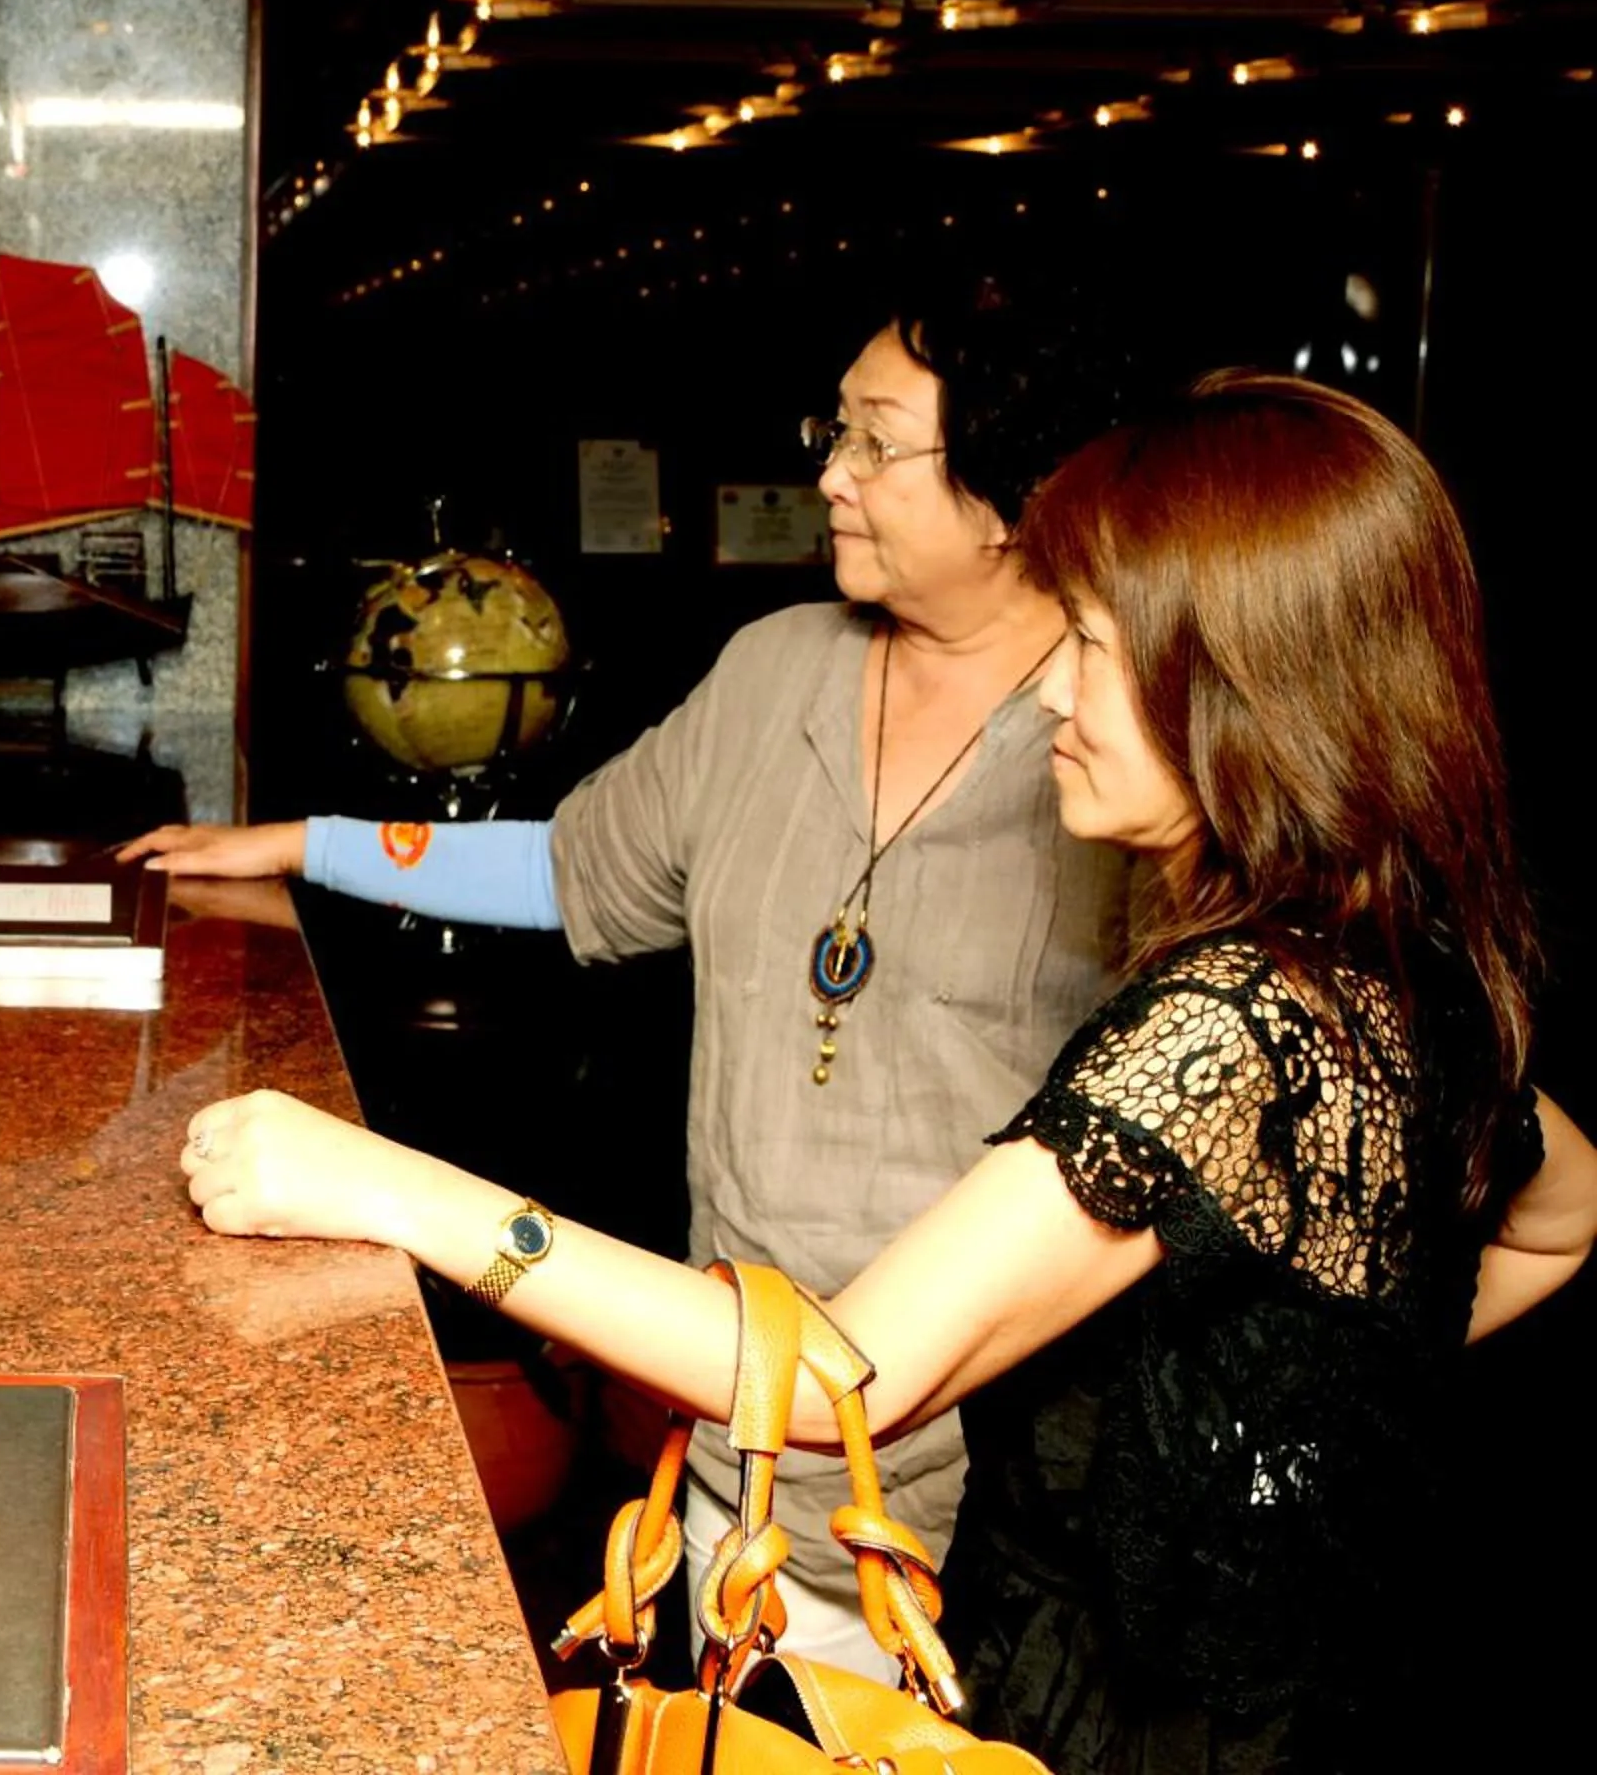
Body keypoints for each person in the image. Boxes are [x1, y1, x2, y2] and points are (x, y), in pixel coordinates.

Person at [174, 374, 1597, 1768]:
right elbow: (1559, 1215)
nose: (1056, 696)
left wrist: (393, 1190)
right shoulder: (1400, 967)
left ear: (1237, 690)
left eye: (1093, 647)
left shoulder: (1224, 1023)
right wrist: (1258, 1407)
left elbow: (835, 1383)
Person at [123, 259, 1143, 1668]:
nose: (831, 477)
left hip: (1005, 1522)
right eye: (829, 434)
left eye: (875, 441)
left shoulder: (1132, 748)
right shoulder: (775, 673)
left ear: (1017, 488)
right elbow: (566, 866)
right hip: (736, 1463)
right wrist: (304, 845)